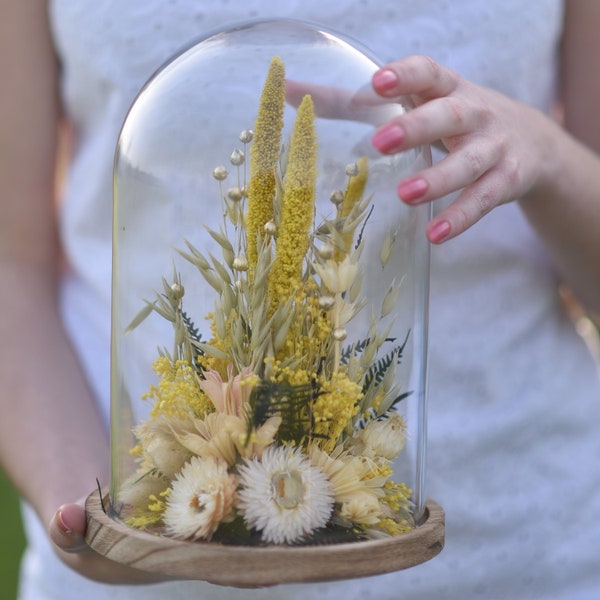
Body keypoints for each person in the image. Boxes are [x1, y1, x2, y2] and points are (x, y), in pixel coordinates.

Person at [1, 0, 599, 598]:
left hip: (518, 551)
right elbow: (12, 268)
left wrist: (547, 154)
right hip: (150, 547)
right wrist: (88, 509)